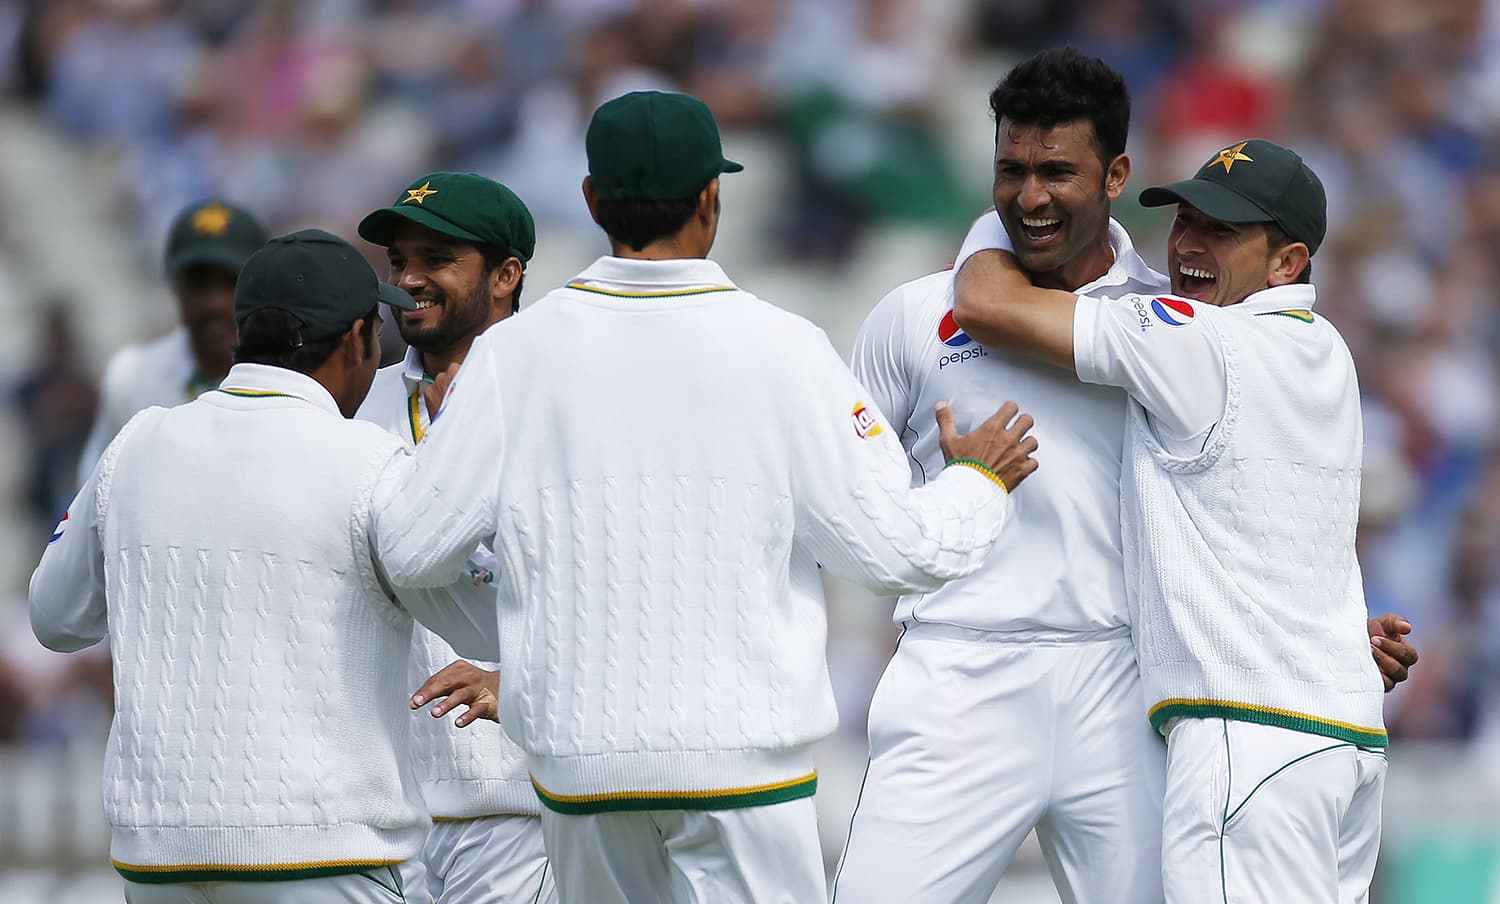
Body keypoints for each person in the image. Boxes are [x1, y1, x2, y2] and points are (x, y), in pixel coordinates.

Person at [368, 89, 1039, 904]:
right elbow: (895, 552)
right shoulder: (785, 348)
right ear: (711, 200)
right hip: (741, 761)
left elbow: (407, 549)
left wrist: (530, 650)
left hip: (583, 764)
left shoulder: (512, 358)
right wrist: (980, 481)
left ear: (591, 199)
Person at [834, 48, 1416, 904]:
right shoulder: (912, 317)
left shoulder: (1171, 323)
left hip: (1127, 681)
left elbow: (1242, 498)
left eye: (1056, 172)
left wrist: (1312, 639)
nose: (1029, 197)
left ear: (1114, 175)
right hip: (959, 671)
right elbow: (853, 496)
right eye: (1011, 171)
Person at [953, 138, 1388, 902]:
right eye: (1184, 220)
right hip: (1341, 737)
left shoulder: (1203, 343)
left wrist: (1006, 222)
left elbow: (986, 305)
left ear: (1286, 262)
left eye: (1220, 231)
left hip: (1247, 739)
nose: (1187, 245)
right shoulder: (1331, 352)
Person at [30, 229, 499, 904]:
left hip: (158, 859)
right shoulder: (373, 464)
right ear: (357, 340)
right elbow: (486, 624)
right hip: (322, 856)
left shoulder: (136, 446)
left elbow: (55, 618)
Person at [354, 172, 556, 903]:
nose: (408, 281)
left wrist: (525, 683)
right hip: (383, 814)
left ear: (506, 275)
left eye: (436, 259)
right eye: (398, 261)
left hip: (521, 805)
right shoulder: (361, 400)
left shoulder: (559, 399)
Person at [77, 199, 268, 481]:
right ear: (176, 288)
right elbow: (96, 491)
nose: (215, 303)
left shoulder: (294, 375)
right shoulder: (133, 378)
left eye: (232, 282)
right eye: (199, 284)